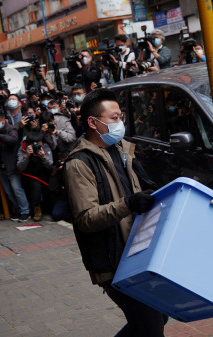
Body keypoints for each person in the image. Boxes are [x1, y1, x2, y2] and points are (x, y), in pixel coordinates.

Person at [64, 89, 164, 336]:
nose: (120, 123)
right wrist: (128, 204)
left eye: (121, 117)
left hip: (138, 252)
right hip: (113, 261)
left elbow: (146, 187)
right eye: (114, 118)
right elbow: (86, 218)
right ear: (92, 122)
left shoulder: (122, 150)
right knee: (151, 327)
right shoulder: (79, 163)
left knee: (156, 319)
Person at [0, 109, 31, 221]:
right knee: (9, 191)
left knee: (17, 190)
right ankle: (18, 210)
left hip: (11, 166)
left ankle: (25, 211)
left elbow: (13, 140)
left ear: (4, 120)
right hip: (0, 166)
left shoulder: (11, 129)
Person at [17, 131, 53, 222]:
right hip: (30, 175)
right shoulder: (23, 148)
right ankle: (37, 210)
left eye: (39, 142)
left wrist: (43, 157)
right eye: (34, 143)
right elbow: (20, 167)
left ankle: (47, 208)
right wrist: (26, 155)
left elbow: (50, 165)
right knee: (35, 187)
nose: (37, 145)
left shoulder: (45, 147)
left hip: (44, 174)